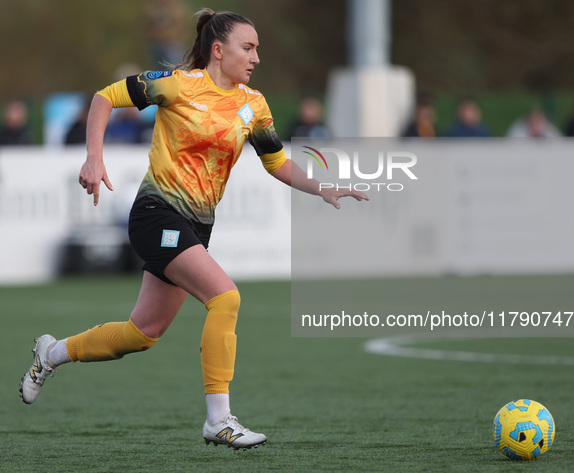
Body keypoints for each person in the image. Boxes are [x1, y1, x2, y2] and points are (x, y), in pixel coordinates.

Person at [19, 9, 368, 451]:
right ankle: (219, 420)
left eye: (258, 48)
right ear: (218, 50)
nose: (257, 56)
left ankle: (50, 354)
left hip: (198, 225)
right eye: (248, 47)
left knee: (141, 333)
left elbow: (275, 162)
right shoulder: (178, 84)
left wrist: (322, 188)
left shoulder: (253, 104)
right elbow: (105, 97)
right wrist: (93, 156)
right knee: (226, 297)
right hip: (156, 213)